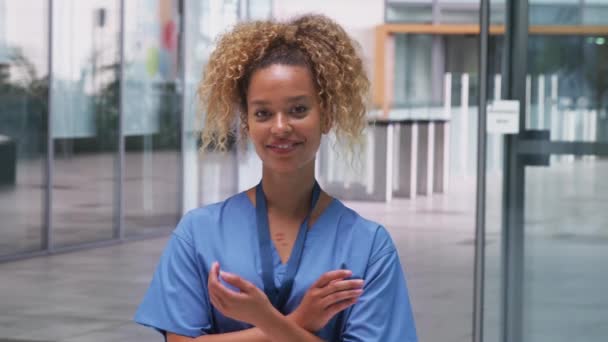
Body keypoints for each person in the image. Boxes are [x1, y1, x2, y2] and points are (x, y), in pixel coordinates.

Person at [134, 14, 417, 342]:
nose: (280, 127)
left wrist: (265, 319)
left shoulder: (369, 247)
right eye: (263, 113)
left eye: (298, 110)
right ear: (247, 123)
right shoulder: (198, 234)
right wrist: (297, 321)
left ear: (326, 116)